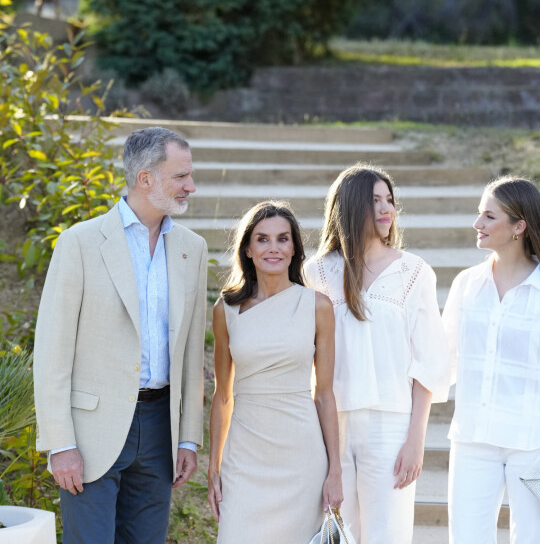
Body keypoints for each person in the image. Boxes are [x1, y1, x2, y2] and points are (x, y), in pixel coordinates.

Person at [33, 127, 208, 544]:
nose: (191, 186)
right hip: (91, 432)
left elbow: (189, 353)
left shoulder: (192, 248)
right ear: (145, 178)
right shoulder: (80, 243)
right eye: (180, 176)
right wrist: (60, 444)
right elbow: (52, 352)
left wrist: (188, 437)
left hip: (160, 429)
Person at [304, 163, 452, 543]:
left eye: (390, 200)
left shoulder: (413, 271)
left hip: (391, 426)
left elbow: (430, 362)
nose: (387, 209)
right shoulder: (316, 272)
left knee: (387, 534)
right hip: (329, 425)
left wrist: (415, 440)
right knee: (339, 534)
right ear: (351, 206)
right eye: (375, 200)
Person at [443, 175, 540, 544]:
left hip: (537, 444)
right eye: (478, 214)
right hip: (472, 438)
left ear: (519, 226)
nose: (477, 224)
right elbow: (443, 360)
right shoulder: (466, 285)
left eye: (489, 216)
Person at [207, 201, 343, 543]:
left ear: (294, 247)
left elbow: (324, 394)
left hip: (302, 458)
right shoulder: (226, 310)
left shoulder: (318, 306)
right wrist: (214, 467)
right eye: (262, 239)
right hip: (244, 458)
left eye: (283, 239)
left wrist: (335, 471)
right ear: (248, 249)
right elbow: (222, 396)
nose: (273, 248)